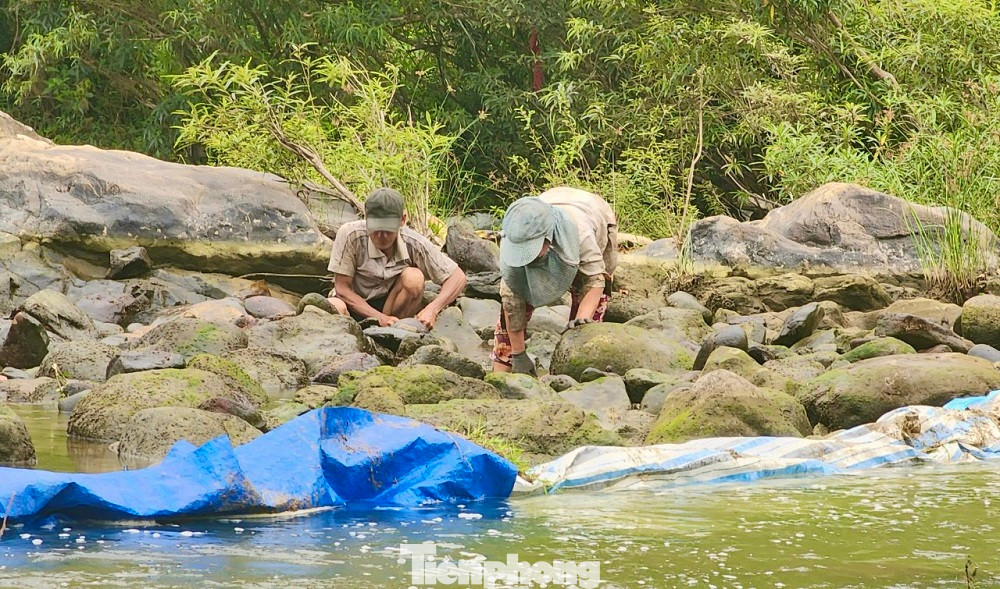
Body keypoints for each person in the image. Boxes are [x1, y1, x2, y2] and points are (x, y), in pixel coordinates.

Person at [491, 186, 618, 374]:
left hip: (592, 213)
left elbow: (596, 280)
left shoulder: (582, 235)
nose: (527, 258)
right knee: (513, 299)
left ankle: (577, 375)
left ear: (547, 240)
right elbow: (511, 299)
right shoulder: (514, 234)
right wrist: (518, 354)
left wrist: (581, 322)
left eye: (531, 251)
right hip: (549, 203)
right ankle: (500, 374)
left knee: (585, 319)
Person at [327, 187, 467, 329]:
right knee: (334, 306)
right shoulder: (350, 234)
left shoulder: (413, 242)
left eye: (388, 229)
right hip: (352, 306)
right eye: (376, 228)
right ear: (365, 217)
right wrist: (379, 317)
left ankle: (398, 331)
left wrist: (432, 310)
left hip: (391, 307)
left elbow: (457, 277)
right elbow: (342, 288)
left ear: (402, 220)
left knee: (414, 277)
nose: (381, 236)